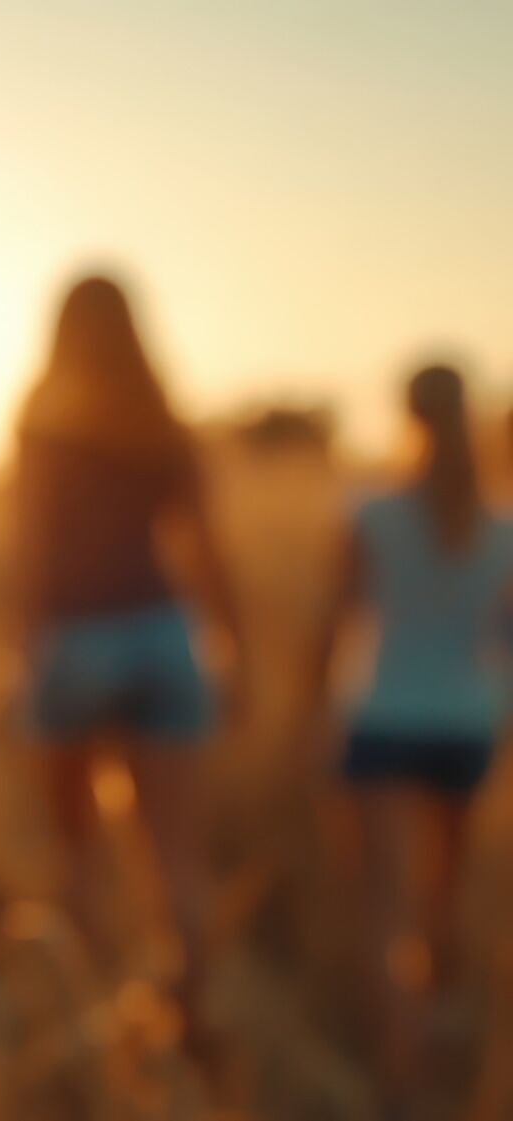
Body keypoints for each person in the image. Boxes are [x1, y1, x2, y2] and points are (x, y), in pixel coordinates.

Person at [11, 273, 242, 1045]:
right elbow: (209, 552)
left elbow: (30, 547)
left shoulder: (39, 424)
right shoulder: (165, 425)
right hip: (163, 635)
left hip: (75, 636)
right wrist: (235, 648)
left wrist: (24, 645)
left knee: (74, 855)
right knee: (177, 857)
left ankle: (82, 1029)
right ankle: (193, 1019)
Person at [309, 365, 513, 1099]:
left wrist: (313, 715)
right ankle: (442, 1019)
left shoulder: (371, 512)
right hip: (469, 723)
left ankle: (403, 1073)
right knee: (444, 895)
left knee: (386, 907)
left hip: (384, 717)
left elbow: (338, 619)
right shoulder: (503, 527)